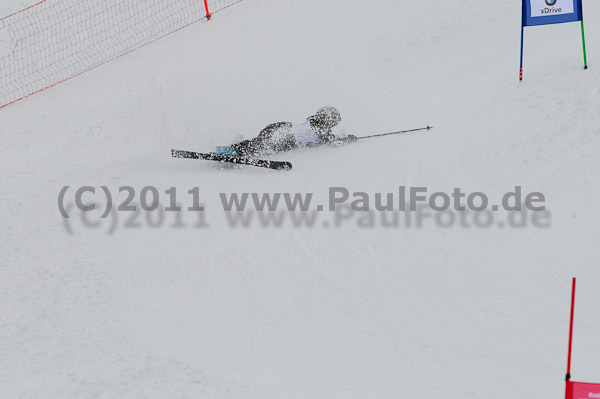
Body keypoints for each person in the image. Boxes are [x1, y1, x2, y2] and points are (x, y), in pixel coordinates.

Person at [216, 106, 357, 157]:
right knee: (264, 146)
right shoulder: (320, 127)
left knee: (261, 144)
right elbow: (333, 142)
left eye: (335, 121)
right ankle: (233, 151)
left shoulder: (317, 125)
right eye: (333, 119)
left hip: (284, 129)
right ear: (325, 116)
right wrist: (348, 139)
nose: (334, 123)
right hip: (288, 136)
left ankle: (236, 148)